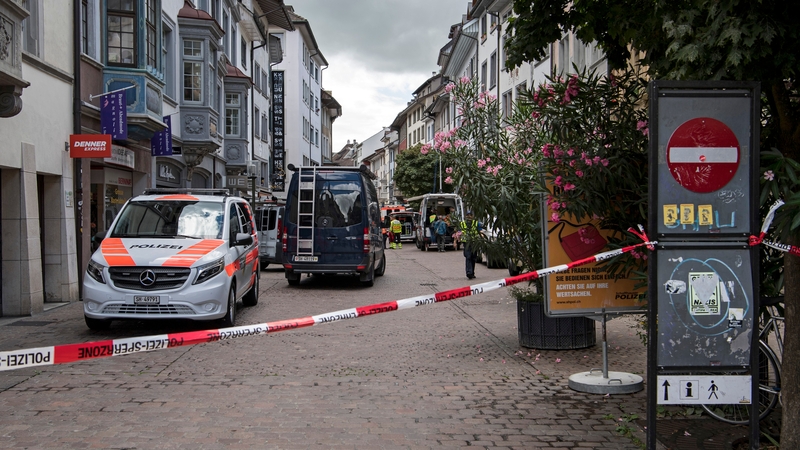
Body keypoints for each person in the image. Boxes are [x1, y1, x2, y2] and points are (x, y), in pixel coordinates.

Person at [460, 210, 482, 279]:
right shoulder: (462, 223)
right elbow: (458, 232)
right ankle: (468, 272)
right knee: (468, 257)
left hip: (474, 242)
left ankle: (472, 272)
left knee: (473, 257)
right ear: (466, 216)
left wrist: (481, 238)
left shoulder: (476, 223)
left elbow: (480, 231)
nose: (469, 216)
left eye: (470, 215)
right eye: (467, 215)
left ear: (473, 216)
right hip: (466, 242)